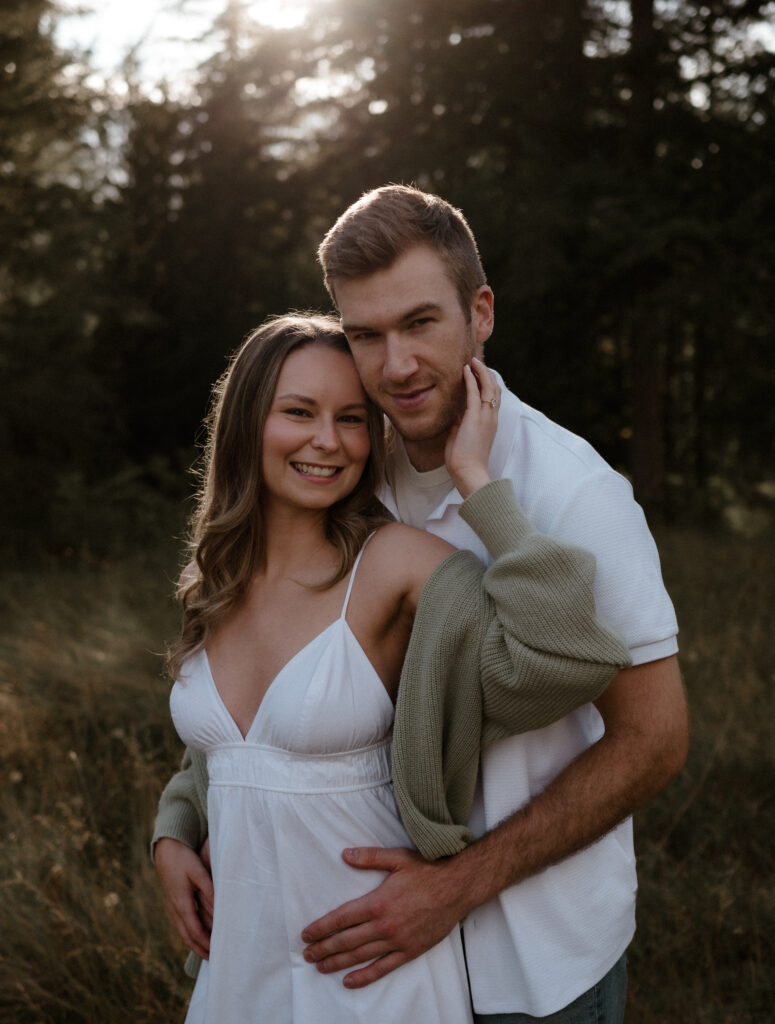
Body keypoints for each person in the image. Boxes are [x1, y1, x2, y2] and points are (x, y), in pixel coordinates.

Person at [155, 186, 689, 1023]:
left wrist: (455, 888)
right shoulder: (350, 467)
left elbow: (654, 742)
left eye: (419, 323)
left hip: (530, 957)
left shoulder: (573, 492)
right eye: (365, 333)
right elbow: (272, 668)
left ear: (479, 312)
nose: (394, 364)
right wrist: (180, 819)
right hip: (344, 945)